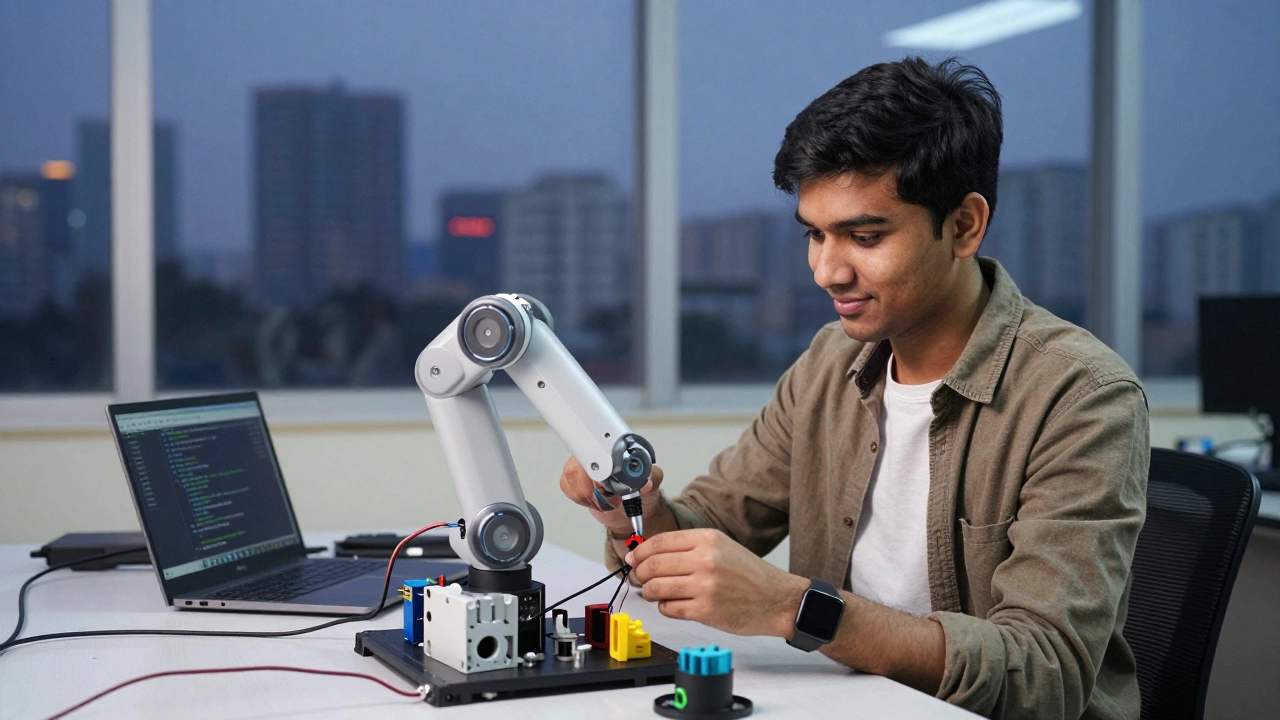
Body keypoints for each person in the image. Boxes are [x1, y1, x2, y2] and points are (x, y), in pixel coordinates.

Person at [561, 57, 1149, 720]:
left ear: (963, 225)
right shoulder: (831, 361)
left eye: (864, 237)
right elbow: (711, 528)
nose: (826, 271)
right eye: (814, 234)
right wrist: (635, 513)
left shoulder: (1082, 395)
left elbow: (1044, 673)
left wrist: (794, 608)